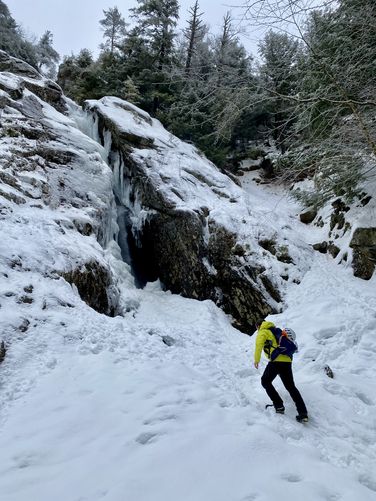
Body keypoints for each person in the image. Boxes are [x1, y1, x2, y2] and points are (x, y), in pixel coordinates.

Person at [254, 320, 308, 423]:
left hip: (276, 361)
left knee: (265, 381)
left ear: (258, 326)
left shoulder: (263, 331)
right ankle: (303, 413)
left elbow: (258, 345)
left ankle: (279, 405)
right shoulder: (275, 331)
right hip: (287, 361)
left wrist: (256, 360)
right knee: (291, 387)